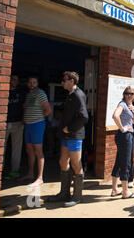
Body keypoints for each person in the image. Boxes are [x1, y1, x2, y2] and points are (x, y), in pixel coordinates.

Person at [47, 72, 89, 207]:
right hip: (66, 135)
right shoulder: (70, 95)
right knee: (63, 161)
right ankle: (64, 193)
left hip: (74, 135)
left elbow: (84, 117)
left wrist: (70, 128)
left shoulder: (78, 95)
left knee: (76, 164)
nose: (62, 82)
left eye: (64, 80)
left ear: (71, 81)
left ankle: (77, 196)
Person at [19, 77, 51, 187]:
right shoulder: (28, 95)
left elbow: (48, 109)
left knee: (38, 151)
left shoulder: (40, 93)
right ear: (27, 83)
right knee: (29, 150)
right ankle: (30, 174)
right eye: (30, 82)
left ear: (37, 83)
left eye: (34, 82)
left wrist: (39, 118)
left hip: (37, 125)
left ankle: (40, 178)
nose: (32, 84)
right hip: (28, 125)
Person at [110, 86, 134, 199]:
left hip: (125, 136)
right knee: (126, 163)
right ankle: (125, 192)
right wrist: (122, 128)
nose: (129, 95)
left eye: (131, 93)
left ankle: (114, 189)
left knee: (118, 161)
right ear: (124, 94)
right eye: (127, 93)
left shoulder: (128, 106)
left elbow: (133, 121)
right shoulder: (122, 104)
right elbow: (115, 116)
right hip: (125, 136)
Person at [4, 75, 25, 180]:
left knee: (16, 148)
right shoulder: (3, 90)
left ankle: (14, 170)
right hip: (4, 123)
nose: (14, 81)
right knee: (1, 148)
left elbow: (24, 107)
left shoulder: (20, 93)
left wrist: (23, 120)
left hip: (17, 123)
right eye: (12, 79)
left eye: (16, 80)